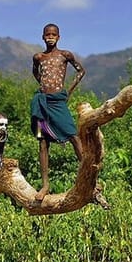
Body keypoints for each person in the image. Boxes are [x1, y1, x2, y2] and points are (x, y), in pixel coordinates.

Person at [30, 23, 86, 201]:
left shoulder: (65, 55)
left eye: (53, 34)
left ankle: (88, 177)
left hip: (58, 103)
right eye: (47, 34)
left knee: (74, 136)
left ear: (59, 37)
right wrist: (44, 86)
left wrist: (67, 92)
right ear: (43, 37)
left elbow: (81, 71)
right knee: (42, 142)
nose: (50, 37)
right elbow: (36, 74)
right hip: (42, 105)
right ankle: (45, 184)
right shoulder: (38, 57)